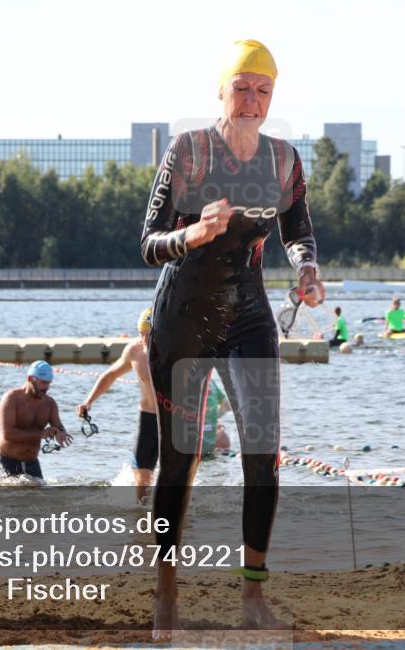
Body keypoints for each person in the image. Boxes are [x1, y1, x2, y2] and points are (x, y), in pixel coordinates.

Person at [140, 39, 324, 636]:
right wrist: (191, 233)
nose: (251, 100)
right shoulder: (188, 151)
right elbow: (148, 243)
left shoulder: (283, 159)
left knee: (264, 455)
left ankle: (253, 595)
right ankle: (166, 590)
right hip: (184, 316)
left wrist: (305, 267)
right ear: (220, 92)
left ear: (274, 97)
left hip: (248, 314)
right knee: (181, 457)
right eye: (241, 87)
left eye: (263, 90)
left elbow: (298, 227)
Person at [76, 308, 159, 501]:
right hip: (147, 418)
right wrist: (89, 401)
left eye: (149, 334)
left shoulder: (173, 351)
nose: (145, 339)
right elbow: (111, 375)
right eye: (141, 334)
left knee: (174, 477)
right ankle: (141, 515)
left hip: (171, 420)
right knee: (143, 476)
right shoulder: (135, 351)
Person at [0, 360, 72, 479]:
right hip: (8, 461)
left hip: (32, 463)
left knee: (41, 495)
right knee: (11, 494)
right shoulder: (11, 399)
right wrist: (41, 434)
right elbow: (8, 434)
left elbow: (58, 426)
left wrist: (62, 432)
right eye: (43, 383)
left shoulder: (50, 404)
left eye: (48, 383)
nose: (46, 387)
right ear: (30, 378)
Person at [200, 375, 231, 458]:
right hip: (212, 441)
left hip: (194, 441)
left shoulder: (185, 381)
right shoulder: (211, 382)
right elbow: (227, 405)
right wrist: (213, 418)